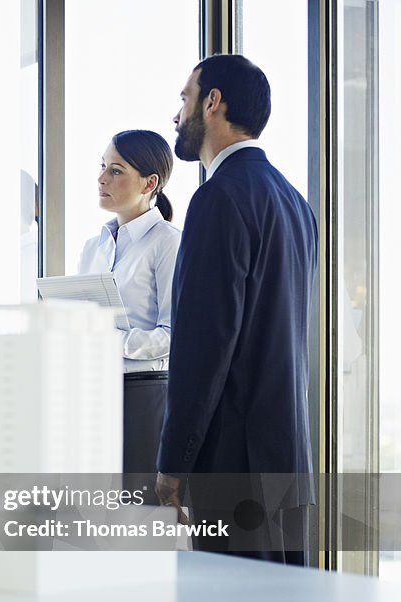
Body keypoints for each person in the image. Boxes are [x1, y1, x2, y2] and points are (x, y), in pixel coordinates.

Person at [155, 55, 317, 564]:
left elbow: (204, 344)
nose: (177, 115)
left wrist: (173, 462)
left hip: (233, 460)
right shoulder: (294, 202)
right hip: (288, 460)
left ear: (212, 102)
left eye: (184, 98)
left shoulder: (218, 198)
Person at [77, 130, 180, 502]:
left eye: (116, 170)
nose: (102, 178)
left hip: (144, 397)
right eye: (103, 167)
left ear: (149, 183)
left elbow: (175, 335)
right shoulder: (94, 246)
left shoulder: (168, 243)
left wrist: (108, 340)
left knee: (140, 518)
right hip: (93, 393)